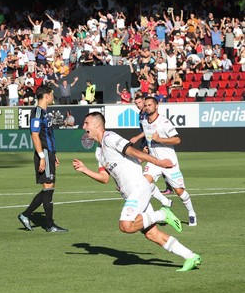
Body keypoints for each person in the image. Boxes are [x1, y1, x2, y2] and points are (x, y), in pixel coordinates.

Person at [72, 112, 201, 272]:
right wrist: (85, 170)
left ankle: (163, 214)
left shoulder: (110, 137)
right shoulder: (99, 152)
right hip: (131, 194)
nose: (84, 127)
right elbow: (104, 178)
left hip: (139, 188)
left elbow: (132, 151)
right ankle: (191, 256)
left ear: (97, 125)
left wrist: (158, 162)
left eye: (86, 123)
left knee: (126, 225)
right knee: (152, 234)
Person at [17, 85, 68, 233]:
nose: (52, 97)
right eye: (51, 94)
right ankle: (48, 224)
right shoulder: (38, 112)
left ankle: (28, 215)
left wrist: (53, 154)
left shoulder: (45, 113)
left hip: (48, 152)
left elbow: (47, 136)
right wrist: (42, 157)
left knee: (49, 187)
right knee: (48, 187)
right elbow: (34, 134)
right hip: (43, 153)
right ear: (46, 95)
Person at [141, 97, 198, 226]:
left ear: (157, 106)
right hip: (154, 161)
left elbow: (177, 140)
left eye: (150, 105)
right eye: (146, 105)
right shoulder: (144, 121)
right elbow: (148, 136)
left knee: (179, 191)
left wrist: (160, 139)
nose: (147, 107)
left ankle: (191, 212)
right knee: (143, 183)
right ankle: (165, 202)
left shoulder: (164, 122)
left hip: (169, 162)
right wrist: (146, 147)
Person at [129, 95, 174, 197]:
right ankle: (168, 186)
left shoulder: (147, 114)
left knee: (138, 161)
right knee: (149, 162)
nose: (138, 105)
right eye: (136, 103)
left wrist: (137, 138)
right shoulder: (141, 114)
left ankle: (131, 183)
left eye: (139, 102)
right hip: (146, 141)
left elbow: (149, 130)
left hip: (149, 141)